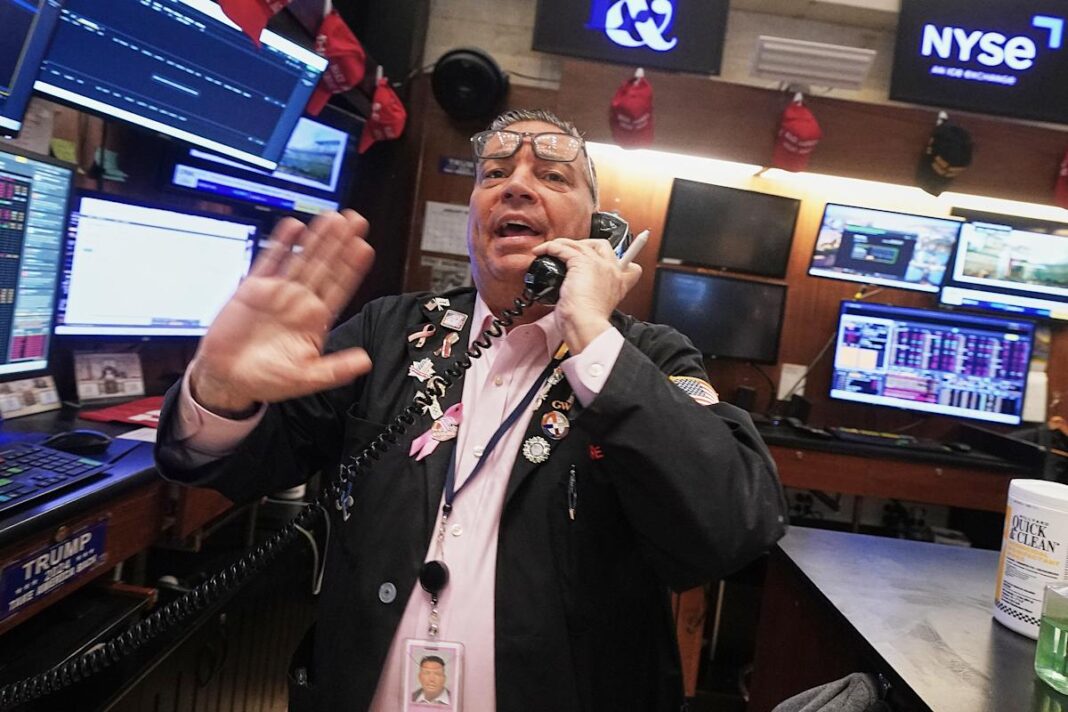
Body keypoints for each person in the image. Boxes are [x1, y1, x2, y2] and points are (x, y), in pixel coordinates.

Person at [155, 108, 788, 711]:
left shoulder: (648, 356)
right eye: (494, 173)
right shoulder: (390, 332)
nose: (516, 186)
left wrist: (593, 335)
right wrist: (219, 389)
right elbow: (245, 465)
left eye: (552, 176)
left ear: (599, 228)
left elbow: (732, 525)